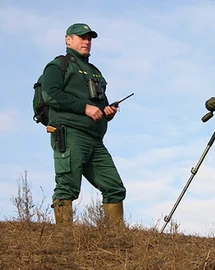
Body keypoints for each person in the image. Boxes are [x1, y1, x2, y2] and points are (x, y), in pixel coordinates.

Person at [42, 23, 126, 226]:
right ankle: (64, 237)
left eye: (89, 38)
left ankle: (117, 240)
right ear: (68, 40)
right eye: (81, 37)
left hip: (95, 140)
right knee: (67, 186)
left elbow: (100, 103)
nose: (87, 42)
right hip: (70, 133)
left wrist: (108, 111)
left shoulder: (95, 72)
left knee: (114, 187)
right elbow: (50, 94)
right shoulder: (58, 65)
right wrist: (85, 108)